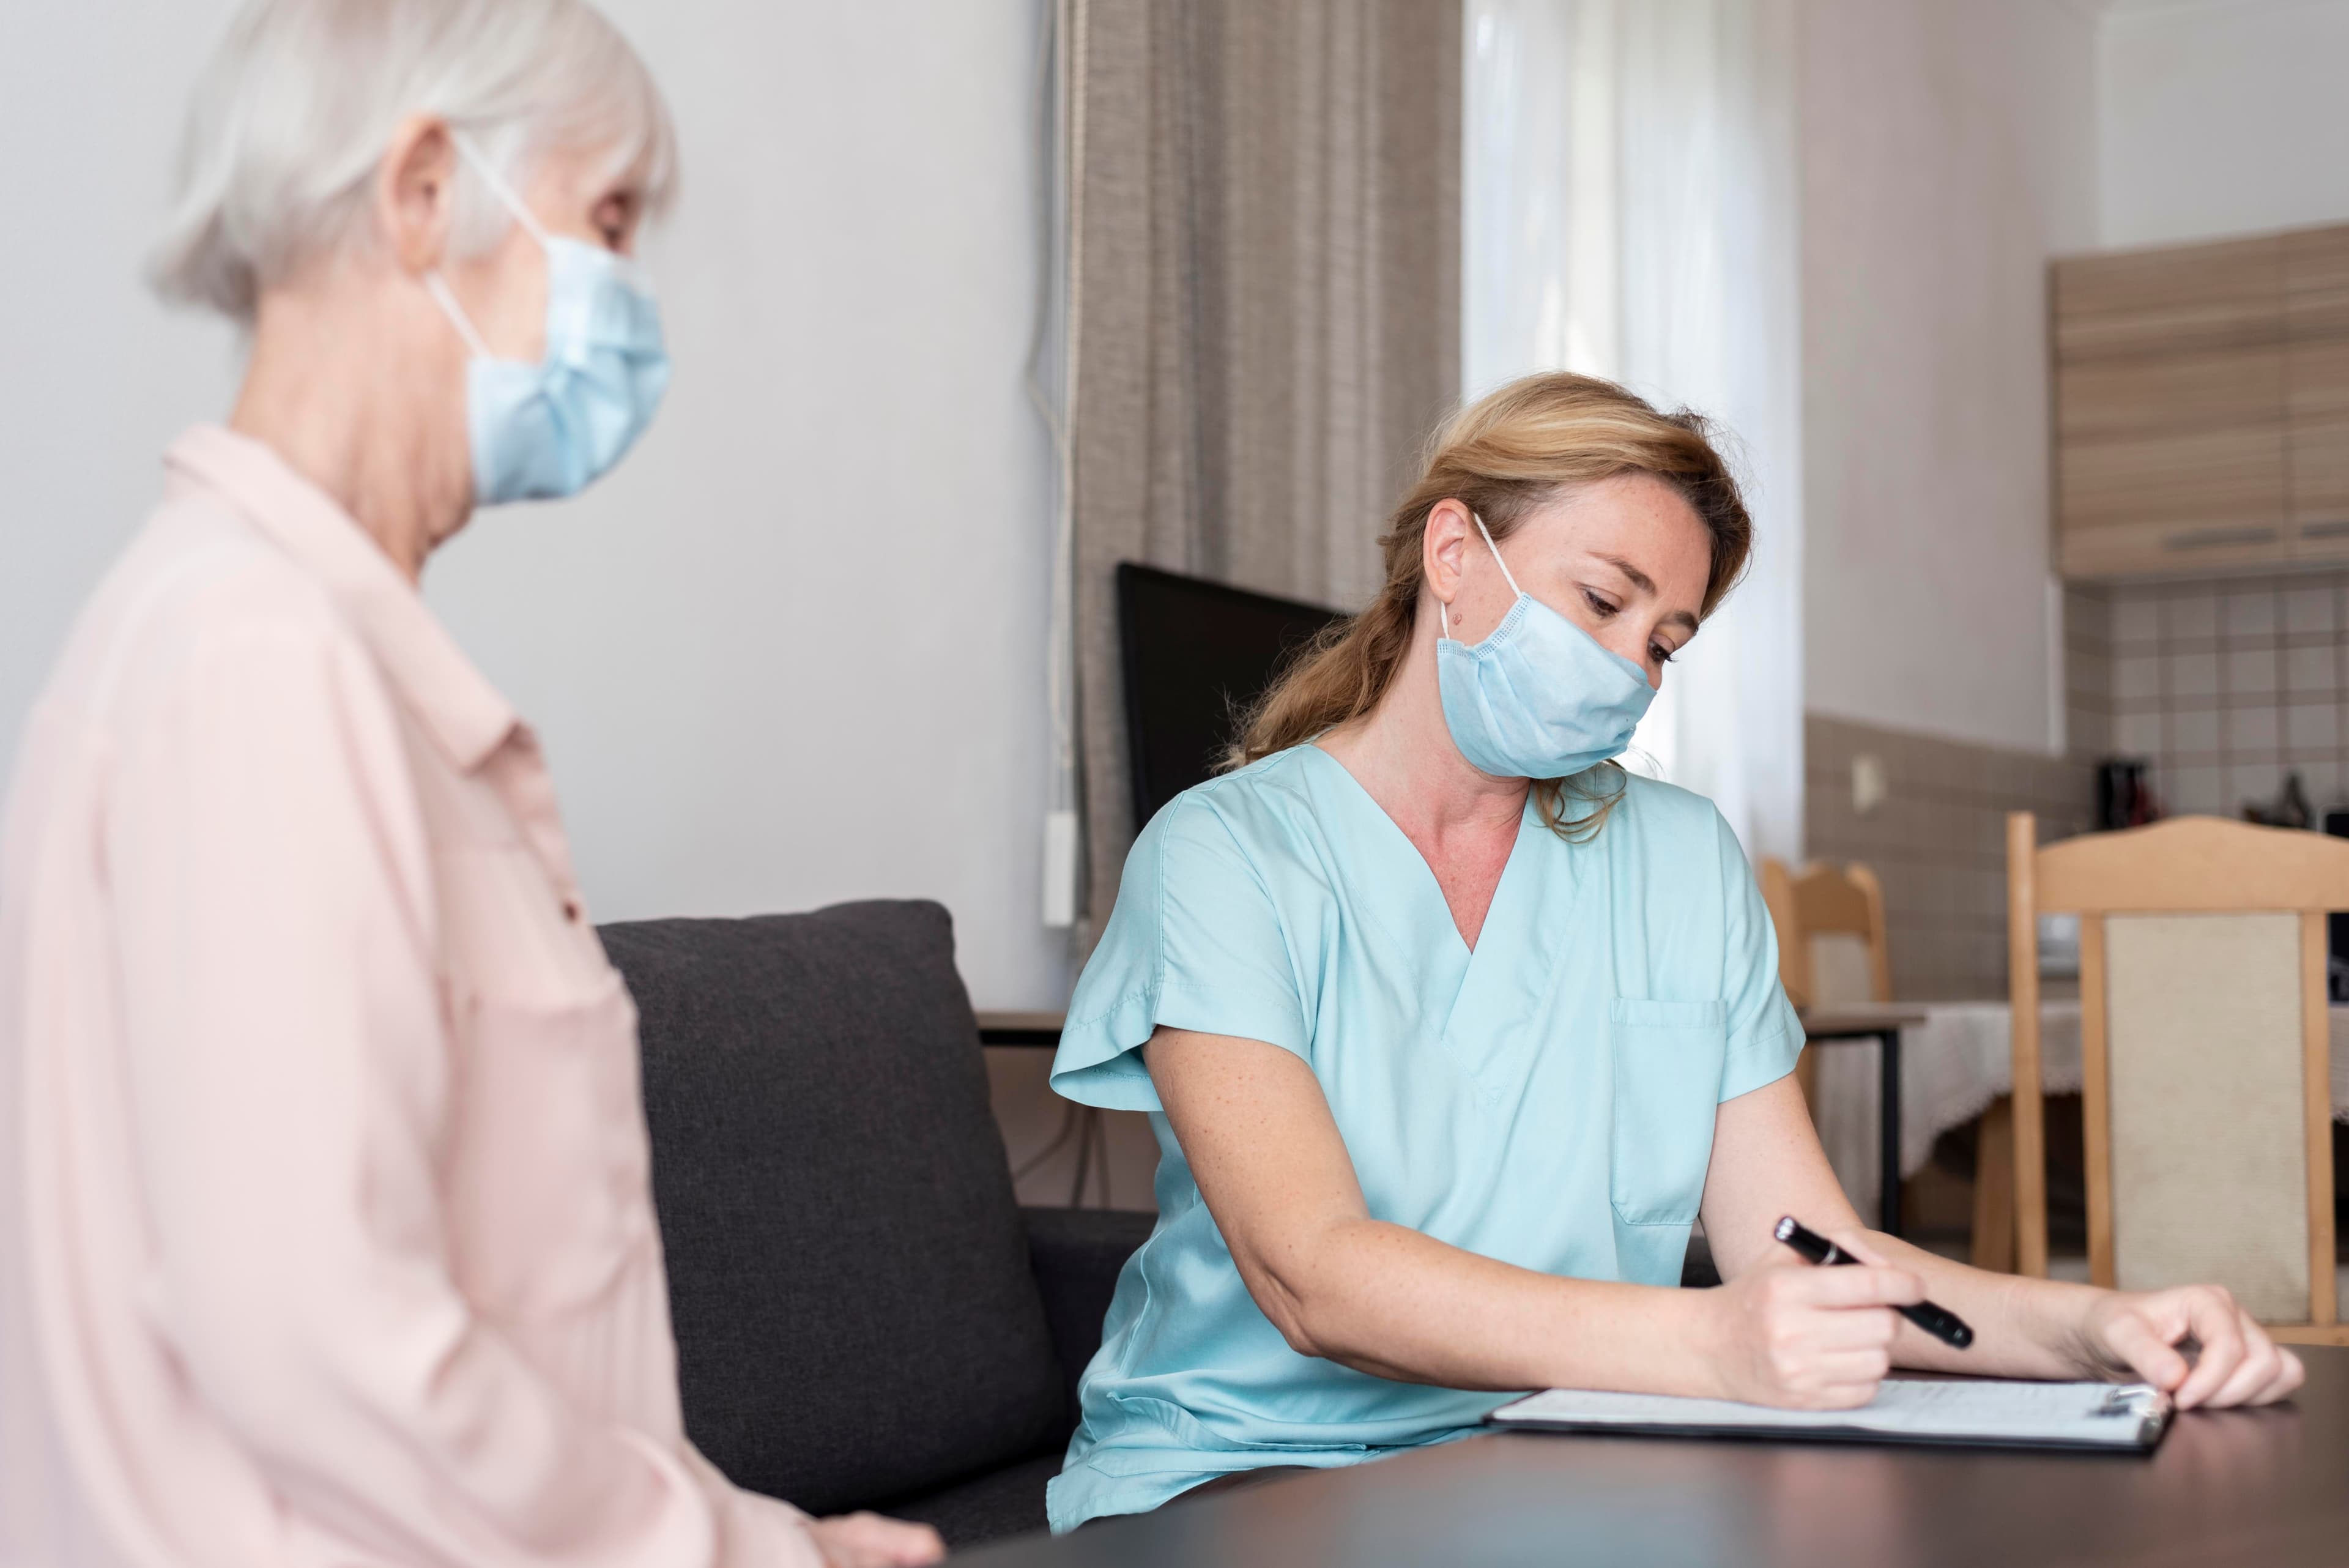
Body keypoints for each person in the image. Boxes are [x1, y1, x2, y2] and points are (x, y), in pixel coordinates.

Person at [0, 4, 941, 1566]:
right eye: (609, 222)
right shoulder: (254, 654)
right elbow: (312, 1332)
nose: (630, 299)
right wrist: (747, 1554)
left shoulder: (275, 639)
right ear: (426, 189)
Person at [1042, 372, 2304, 1532]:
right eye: (1601, 599)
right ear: (1452, 553)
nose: (1624, 665)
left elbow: (1805, 1245)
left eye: (1661, 640)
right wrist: (1712, 1346)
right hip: (1247, 1471)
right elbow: (1312, 1277)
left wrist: (2101, 1327)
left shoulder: (1686, 862)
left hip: (1560, 1450)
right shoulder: (1224, 856)